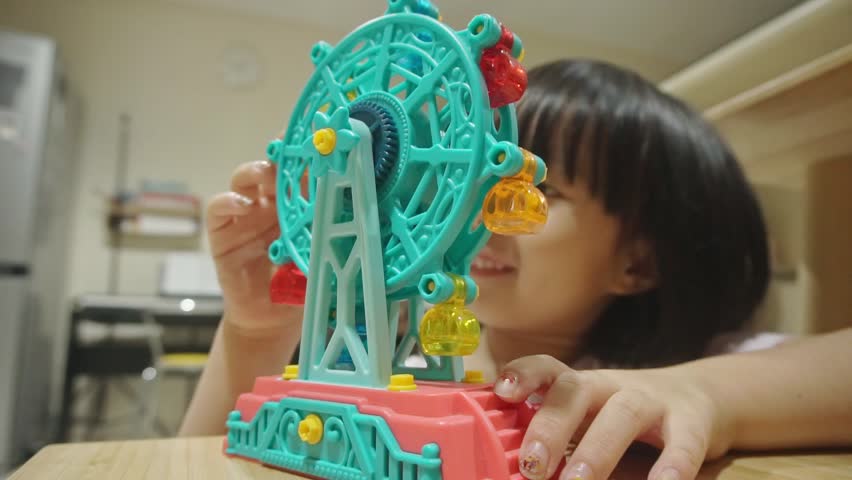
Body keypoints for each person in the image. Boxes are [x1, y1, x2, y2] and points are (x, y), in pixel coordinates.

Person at [178, 59, 795, 478]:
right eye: (472, 177)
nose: (478, 210)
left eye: (532, 189)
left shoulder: (716, 360)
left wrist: (700, 391)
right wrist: (255, 332)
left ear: (637, 263)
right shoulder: (413, 361)